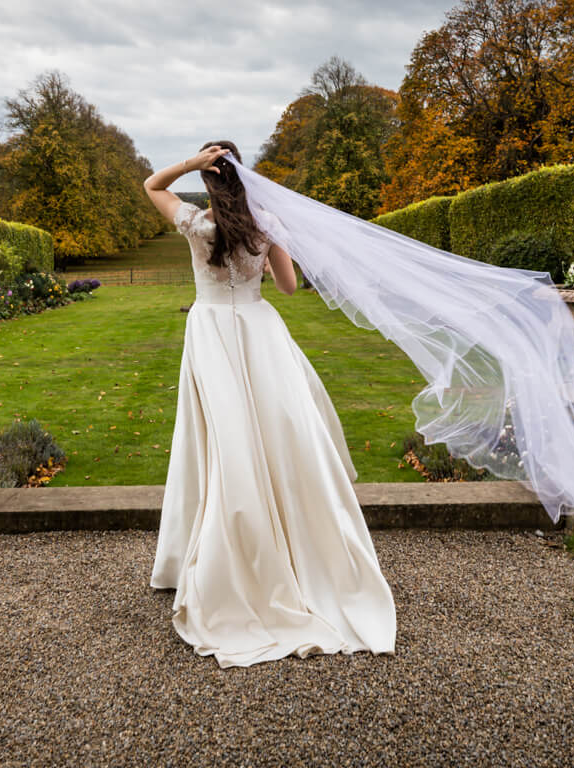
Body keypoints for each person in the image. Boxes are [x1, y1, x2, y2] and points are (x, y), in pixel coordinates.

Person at [144, 141, 397, 668]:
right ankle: (305, 548)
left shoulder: (196, 224)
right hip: (261, 333)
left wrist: (190, 164)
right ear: (245, 178)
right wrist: (273, 251)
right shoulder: (266, 227)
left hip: (211, 331)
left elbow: (151, 185)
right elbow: (288, 287)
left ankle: (226, 553)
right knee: (282, 436)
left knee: (223, 442)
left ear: (211, 180)